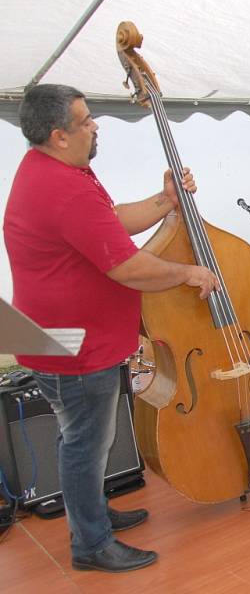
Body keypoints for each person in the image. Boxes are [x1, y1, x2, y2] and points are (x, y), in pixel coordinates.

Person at [3, 84, 219, 572]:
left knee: (77, 437)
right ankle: (91, 544)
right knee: (85, 443)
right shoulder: (62, 188)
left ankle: (91, 515)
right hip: (73, 346)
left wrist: (165, 202)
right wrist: (187, 272)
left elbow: (110, 220)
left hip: (56, 338)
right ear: (59, 135)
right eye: (85, 121)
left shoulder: (56, 170)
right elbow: (128, 268)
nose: (95, 125)